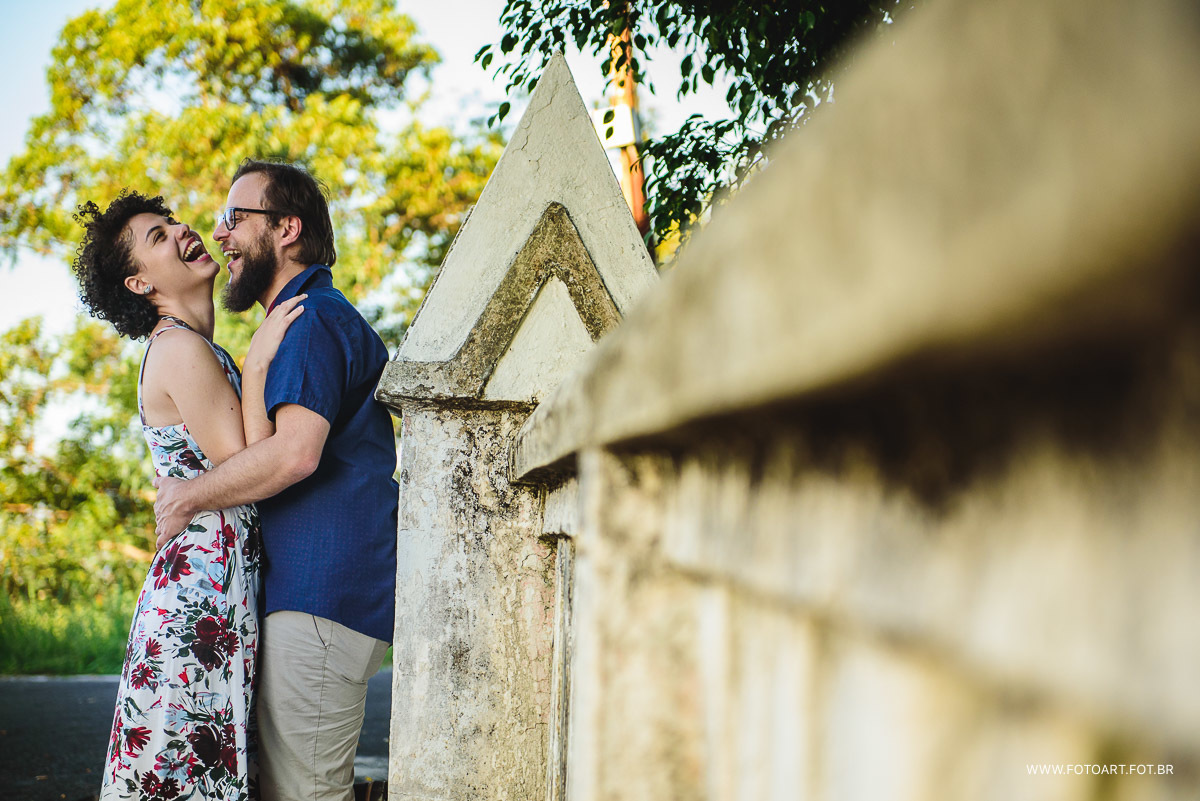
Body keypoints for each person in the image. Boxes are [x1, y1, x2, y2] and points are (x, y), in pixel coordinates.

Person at [153, 159, 399, 801]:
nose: (221, 233)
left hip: (323, 594)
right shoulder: (296, 318)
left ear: (287, 229)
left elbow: (294, 455)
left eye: (236, 218)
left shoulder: (310, 318)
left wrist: (187, 495)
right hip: (313, 593)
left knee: (304, 793)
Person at [72, 190, 305, 801]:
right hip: (197, 599)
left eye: (171, 222)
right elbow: (247, 463)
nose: (180, 232)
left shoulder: (196, 347)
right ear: (140, 282)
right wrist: (257, 369)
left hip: (215, 591)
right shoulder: (178, 348)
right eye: (156, 236)